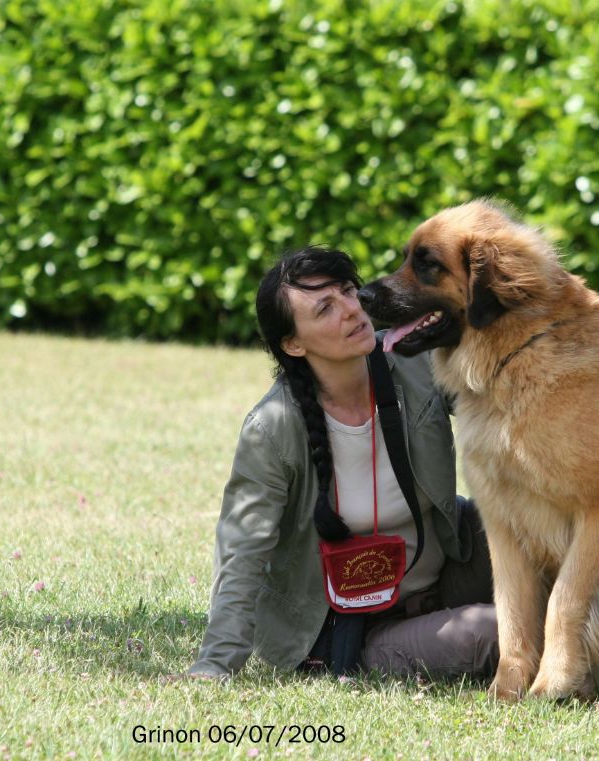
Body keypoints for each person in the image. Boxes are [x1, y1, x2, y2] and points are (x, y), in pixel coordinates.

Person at [185, 245, 496, 681]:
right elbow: (242, 549)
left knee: (527, 523)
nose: (353, 309)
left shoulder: (413, 364)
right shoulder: (273, 427)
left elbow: (502, 395)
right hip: (352, 626)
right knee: (493, 633)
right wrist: (216, 663)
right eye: (326, 308)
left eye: (349, 291)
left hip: (443, 571)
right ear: (293, 344)